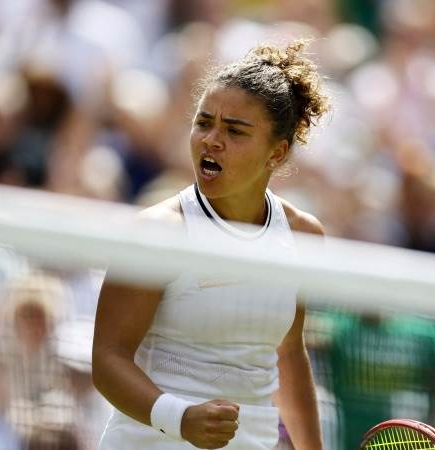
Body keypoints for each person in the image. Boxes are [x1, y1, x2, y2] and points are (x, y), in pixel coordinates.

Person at [92, 40, 329, 450]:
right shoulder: (160, 231)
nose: (211, 140)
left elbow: (288, 354)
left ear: (277, 153)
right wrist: (179, 418)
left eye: (234, 131)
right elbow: (108, 359)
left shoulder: (302, 236)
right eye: (203, 123)